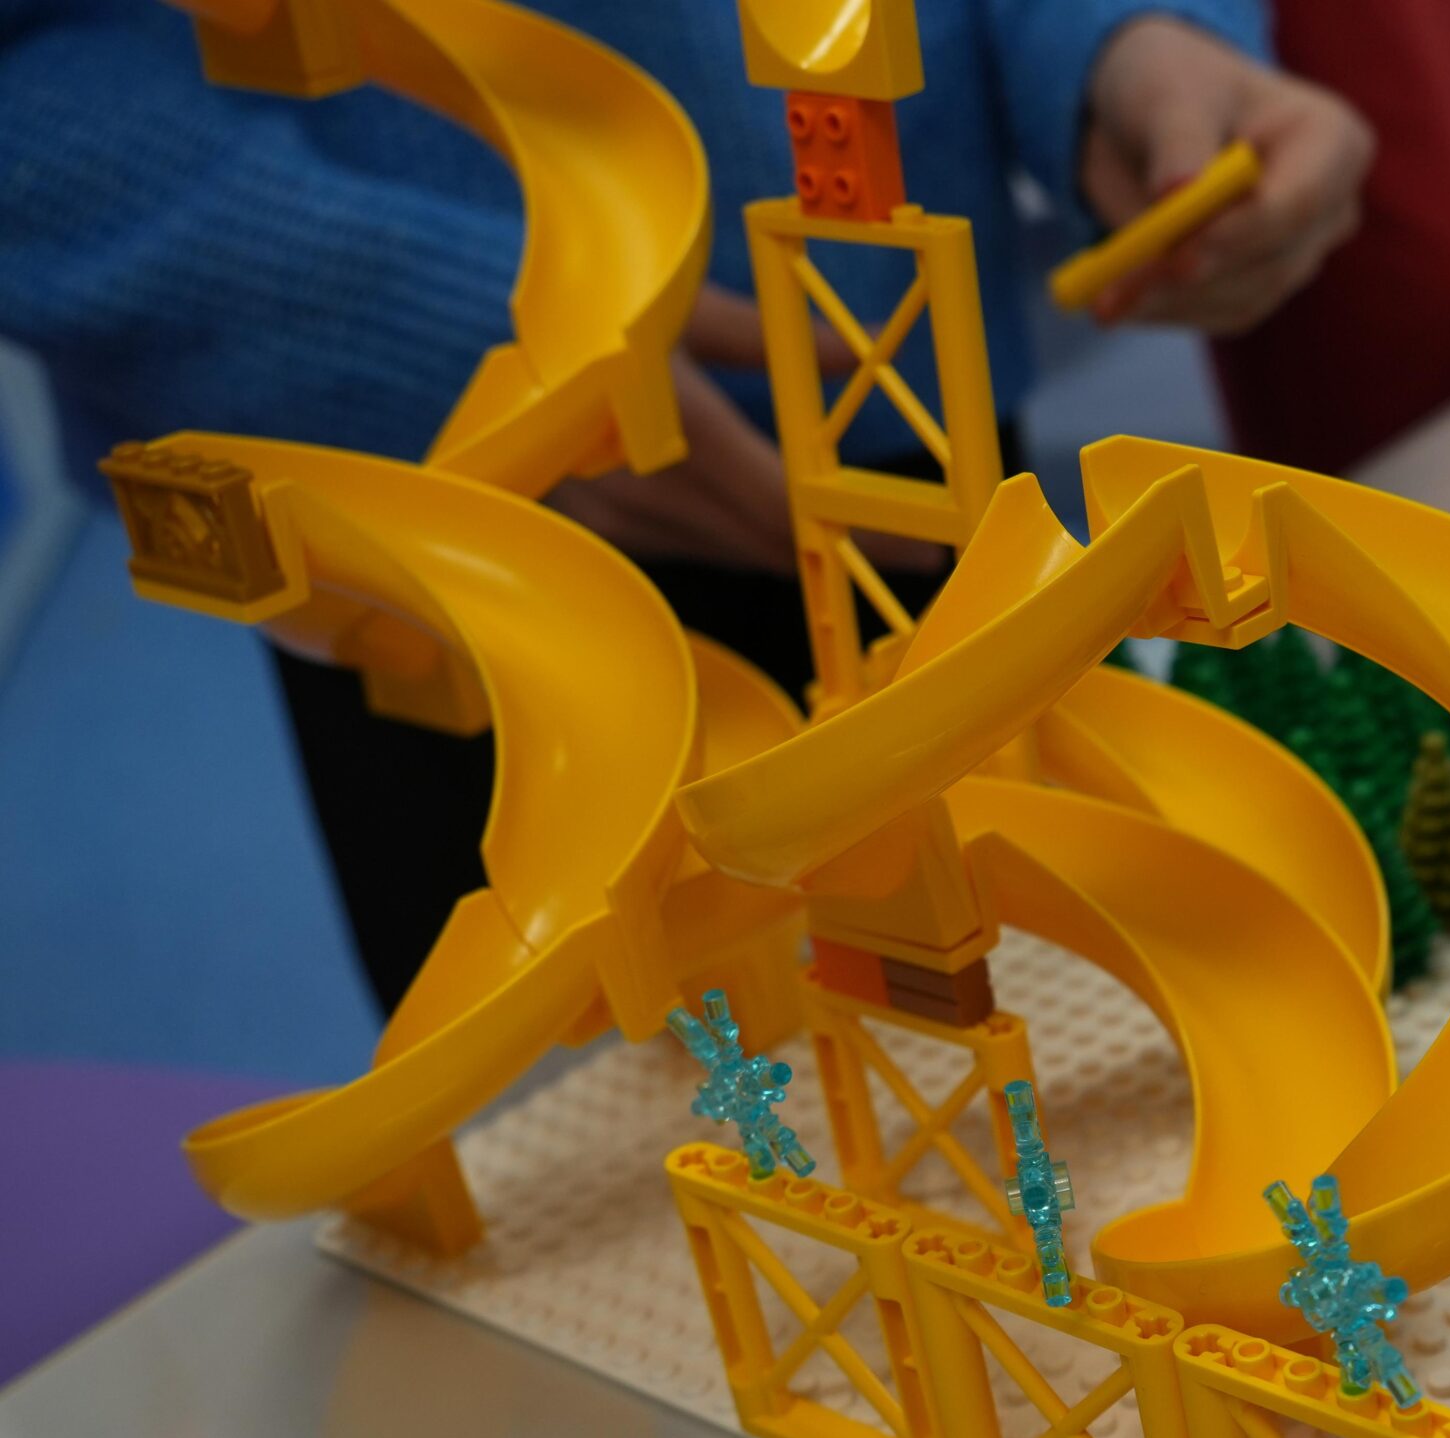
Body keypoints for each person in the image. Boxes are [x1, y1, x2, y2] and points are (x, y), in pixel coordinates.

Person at [0, 0, 1372, 1012]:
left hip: (901, 399)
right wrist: (439, 333)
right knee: (597, 1036)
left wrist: (1113, 36)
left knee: (1017, 910)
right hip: (443, 491)